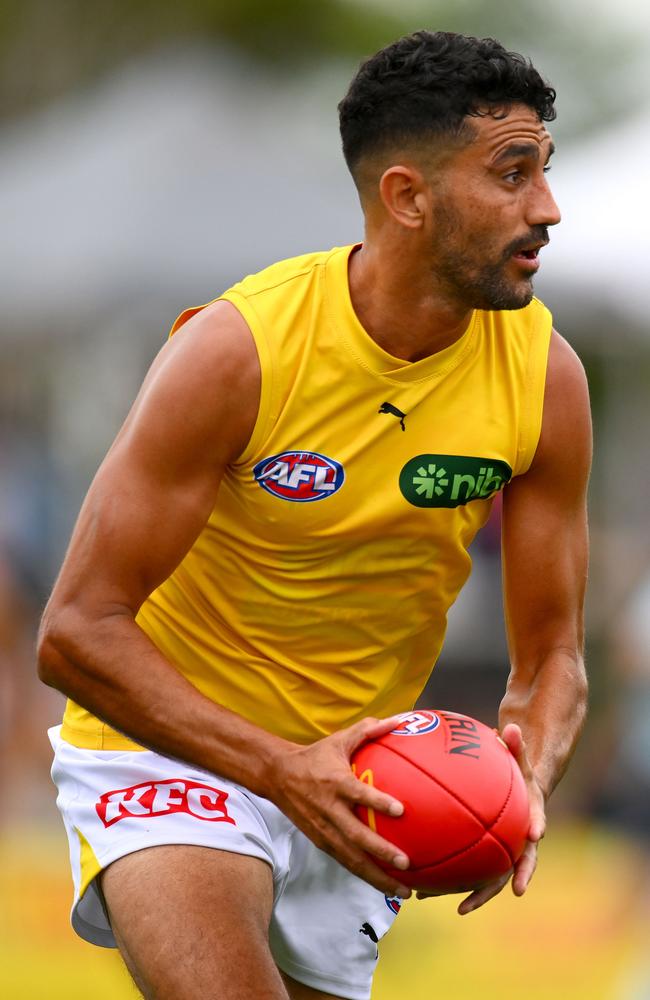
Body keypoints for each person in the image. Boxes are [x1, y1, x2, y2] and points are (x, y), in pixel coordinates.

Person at [38, 29, 591, 1000]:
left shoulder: (545, 378)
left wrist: (521, 781)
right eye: (510, 174)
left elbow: (552, 657)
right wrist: (278, 766)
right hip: (175, 753)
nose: (544, 209)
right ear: (406, 198)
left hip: (361, 786)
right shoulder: (236, 351)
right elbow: (76, 633)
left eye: (543, 171)